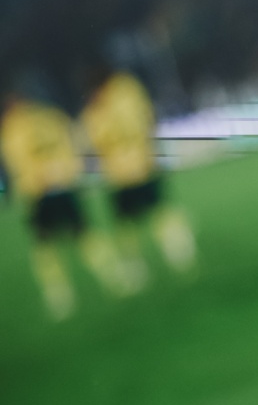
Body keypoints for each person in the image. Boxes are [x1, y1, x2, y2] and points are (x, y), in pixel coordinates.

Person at [0, 88, 133, 319]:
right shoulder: (48, 115)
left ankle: (60, 297)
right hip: (63, 185)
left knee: (46, 248)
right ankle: (114, 276)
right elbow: (70, 137)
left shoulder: (12, 129)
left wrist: (29, 183)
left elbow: (17, 163)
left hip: (39, 193)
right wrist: (69, 170)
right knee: (84, 236)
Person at [80, 68, 197, 285]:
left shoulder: (97, 109)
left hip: (122, 173)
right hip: (142, 165)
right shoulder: (128, 90)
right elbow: (148, 118)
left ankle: (139, 266)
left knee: (128, 223)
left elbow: (96, 141)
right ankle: (178, 249)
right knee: (157, 211)